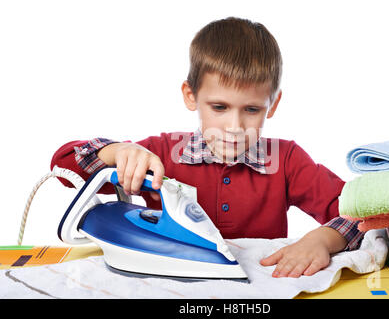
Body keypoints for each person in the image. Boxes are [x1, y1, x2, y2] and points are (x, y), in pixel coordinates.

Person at [51, 17, 364, 278]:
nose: (234, 126)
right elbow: (64, 168)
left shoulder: (287, 161)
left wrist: (323, 239)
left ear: (273, 104)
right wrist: (116, 152)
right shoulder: (161, 152)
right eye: (219, 107)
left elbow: (361, 213)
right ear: (191, 96)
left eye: (252, 110)